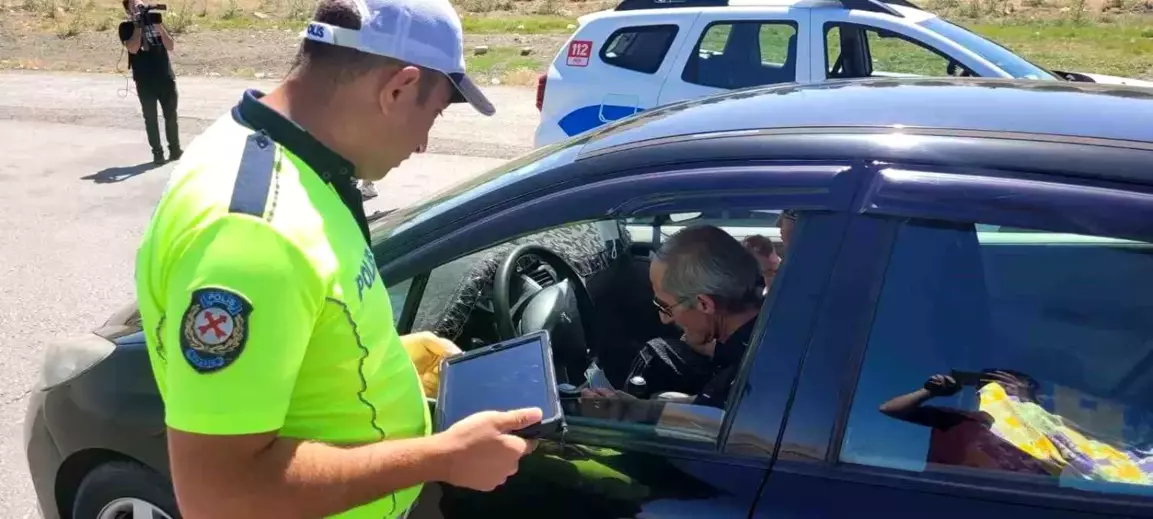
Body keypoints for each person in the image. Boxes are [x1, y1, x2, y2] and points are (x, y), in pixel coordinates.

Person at [132, 0, 538, 517]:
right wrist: (440, 458)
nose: (423, 145)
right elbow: (220, 498)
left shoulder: (284, 151)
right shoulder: (254, 233)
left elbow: (303, 318)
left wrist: (379, 356)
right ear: (399, 88)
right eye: (432, 115)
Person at [584, 225, 763, 411]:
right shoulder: (761, 333)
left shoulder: (751, 376)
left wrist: (628, 412)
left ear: (704, 304)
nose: (665, 319)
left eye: (665, 307)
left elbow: (714, 423)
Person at [879, 370, 1054, 476]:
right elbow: (891, 409)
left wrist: (1029, 403)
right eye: (996, 386)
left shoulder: (1044, 432)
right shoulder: (960, 418)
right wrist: (929, 392)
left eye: (1014, 388)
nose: (1005, 392)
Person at [119, 0, 181, 164]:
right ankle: (157, 153)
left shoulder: (156, 23)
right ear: (128, 12)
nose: (139, 8)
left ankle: (175, 150)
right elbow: (132, 48)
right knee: (151, 118)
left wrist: (159, 27)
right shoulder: (126, 28)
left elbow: (171, 45)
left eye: (140, 5)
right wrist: (139, 26)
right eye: (134, 7)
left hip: (165, 78)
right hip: (145, 81)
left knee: (171, 116)